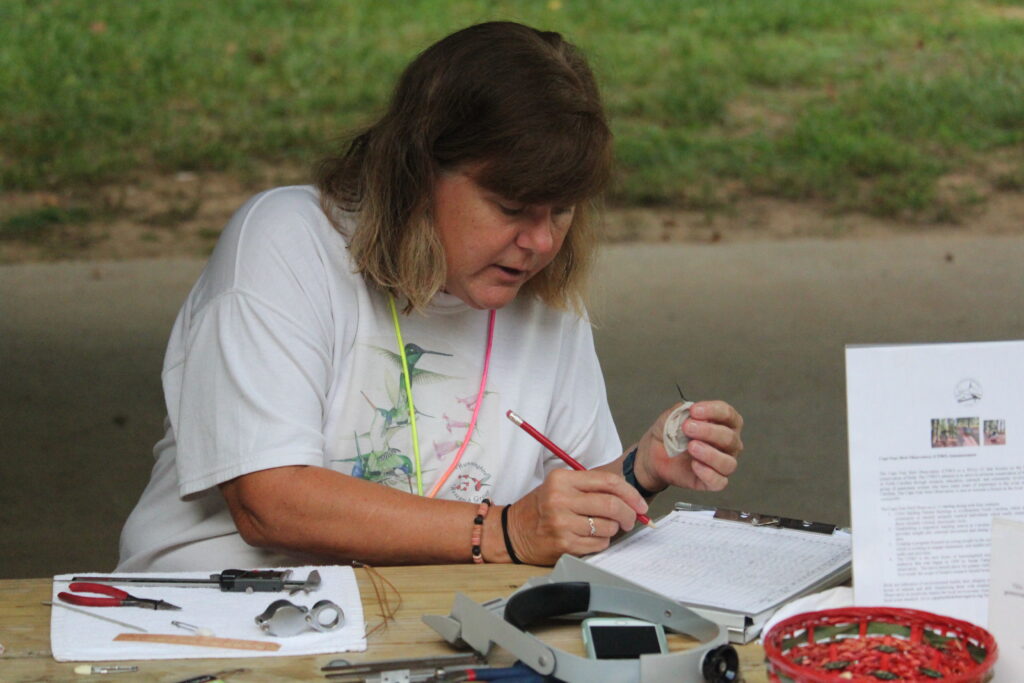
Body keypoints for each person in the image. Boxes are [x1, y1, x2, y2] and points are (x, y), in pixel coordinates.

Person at [117, 21, 744, 572]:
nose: (540, 241)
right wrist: (501, 532)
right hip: (219, 617)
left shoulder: (541, 298)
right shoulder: (287, 240)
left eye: (561, 211)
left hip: (420, 624)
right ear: (417, 172)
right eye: (511, 207)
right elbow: (269, 500)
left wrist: (641, 470)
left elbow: (554, 518)